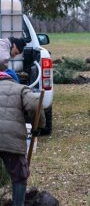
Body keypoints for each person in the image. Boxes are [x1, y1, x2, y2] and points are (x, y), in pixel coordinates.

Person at [0, 69, 45, 205]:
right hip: (11, 140)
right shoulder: (20, 88)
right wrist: (38, 127)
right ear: (13, 79)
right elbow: (33, 106)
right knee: (19, 175)